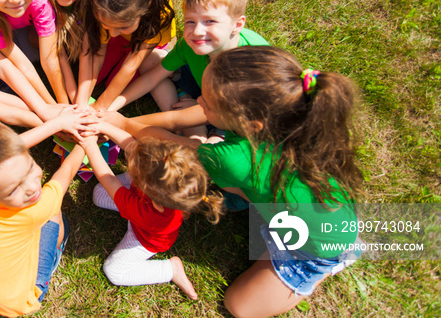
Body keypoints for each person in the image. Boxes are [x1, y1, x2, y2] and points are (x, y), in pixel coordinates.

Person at [120, 46, 364, 317]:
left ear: (251, 123)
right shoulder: (292, 117)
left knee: (239, 306)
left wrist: (119, 123)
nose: (199, 100)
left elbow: (165, 139)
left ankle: (333, 264)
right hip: (313, 210)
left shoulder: (233, 159)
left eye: (208, 103)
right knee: (230, 187)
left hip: (316, 247)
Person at [0, 117, 93, 317]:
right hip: (24, 297)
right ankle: (56, 251)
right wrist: (86, 142)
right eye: (13, 190)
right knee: (55, 214)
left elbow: (12, 149)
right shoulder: (32, 210)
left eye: (30, 167)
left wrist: (57, 124)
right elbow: (66, 173)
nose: (32, 188)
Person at [80, 125, 222, 300]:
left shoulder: (148, 213)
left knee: (114, 271)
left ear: (151, 194)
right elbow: (132, 145)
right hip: (143, 204)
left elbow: (109, 181)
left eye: (139, 174)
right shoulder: (165, 166)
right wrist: (104, 126)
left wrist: (90, 146)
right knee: (98, 194)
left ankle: (170, 270)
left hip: (144, 238)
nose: (132, 162)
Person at [108, 0, 268, 121]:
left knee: (202, 143)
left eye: (210, 21)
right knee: (150, 60)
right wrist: (109, 108)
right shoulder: (189, 45)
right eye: (190, 22)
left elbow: (244, 116)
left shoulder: (254, 63)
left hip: (226, 116)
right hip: (199, 86)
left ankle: (187, 127)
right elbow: (152, 78)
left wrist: (200, 109)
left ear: (237, 24)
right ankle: (182, 110)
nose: (197, 31)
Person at [76, 0, 176, 111]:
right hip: (124, 40)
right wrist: (81, 101)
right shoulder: (104, 5)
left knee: (113, 85)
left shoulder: (158, 14)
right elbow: (97, 53)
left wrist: (100, 106)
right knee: (96, 78)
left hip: (144, 42)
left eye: (123, 26)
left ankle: (163, 51)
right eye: (107, 25)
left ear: (146, 8)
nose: (113, 33)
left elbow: (131, 65)